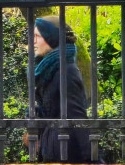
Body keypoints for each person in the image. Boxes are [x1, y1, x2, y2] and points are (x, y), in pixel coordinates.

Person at [29, 15, 94, 162]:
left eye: (37, 36)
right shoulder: (46, 69)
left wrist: (92, 158)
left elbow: (77, 116)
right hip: (51, 148)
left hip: (65, 151)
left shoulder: (66, 71)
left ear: (51, 38)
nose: (33, 41)